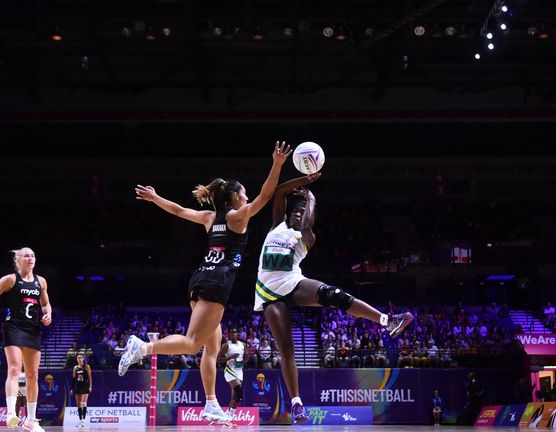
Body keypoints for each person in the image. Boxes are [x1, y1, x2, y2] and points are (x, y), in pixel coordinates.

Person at [120, 141, 292, 424]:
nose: (247, 197)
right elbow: (266, 195)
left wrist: (156, 198)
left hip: (201, 277)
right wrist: (276, 164)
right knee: (191, 344)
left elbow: (177, 210)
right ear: (236, 197)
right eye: (244, 194)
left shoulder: (210, 218)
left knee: (213, 347)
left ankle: (211, 404)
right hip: (217, 281)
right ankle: (143, 347)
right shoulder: (237, 217)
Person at [254, 177, 414, 423]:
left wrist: (311, 200)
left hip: (293, 282)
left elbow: (307, 224)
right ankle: (297, 404)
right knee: (286, 348)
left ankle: (387, 321)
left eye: (301, 212)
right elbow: (278, 193)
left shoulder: (307, 237)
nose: (297, 214)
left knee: (333, 295)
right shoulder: (277, 225)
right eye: (294, 211)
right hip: (268, 292)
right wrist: (304, 181)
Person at [0, 247, 52, 432]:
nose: (30, 258)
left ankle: (31, 420)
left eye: (32, 255)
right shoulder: (10, 280)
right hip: (13, 327)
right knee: (14, 368)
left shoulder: (41, 282)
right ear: (18, 260)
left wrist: (48, 315)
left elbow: (46, 304)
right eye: (26, 256)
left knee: (33, 374)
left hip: (33, 330)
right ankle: (11, 414)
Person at [218, 328, 246, 418]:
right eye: (232, 332)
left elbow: (246, 358)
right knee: (239, 390)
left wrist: (243, 359)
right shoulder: (226, 345)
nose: (233, 334)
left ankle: (228, 418)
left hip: (239, 370)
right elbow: (218, 360)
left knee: (235, 397)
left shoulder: (243, 345)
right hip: (229, 370)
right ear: (229, 334)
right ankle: (230, 415)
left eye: (235, 332)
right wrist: (230, 357)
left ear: (237, 334)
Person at [72, 354, 92, 428]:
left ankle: (83, 420)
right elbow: (74, 378)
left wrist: (90, 386)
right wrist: (72, 388)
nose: (79, 359)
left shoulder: (86, 366)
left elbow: (90, 377)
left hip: (84, 386)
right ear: (77, 359)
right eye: (78, 358)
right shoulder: (75, 368)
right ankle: (80, 420)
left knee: (83, 402)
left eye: (81, 357)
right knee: (78, 404)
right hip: (77, 386)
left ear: (83, 359)